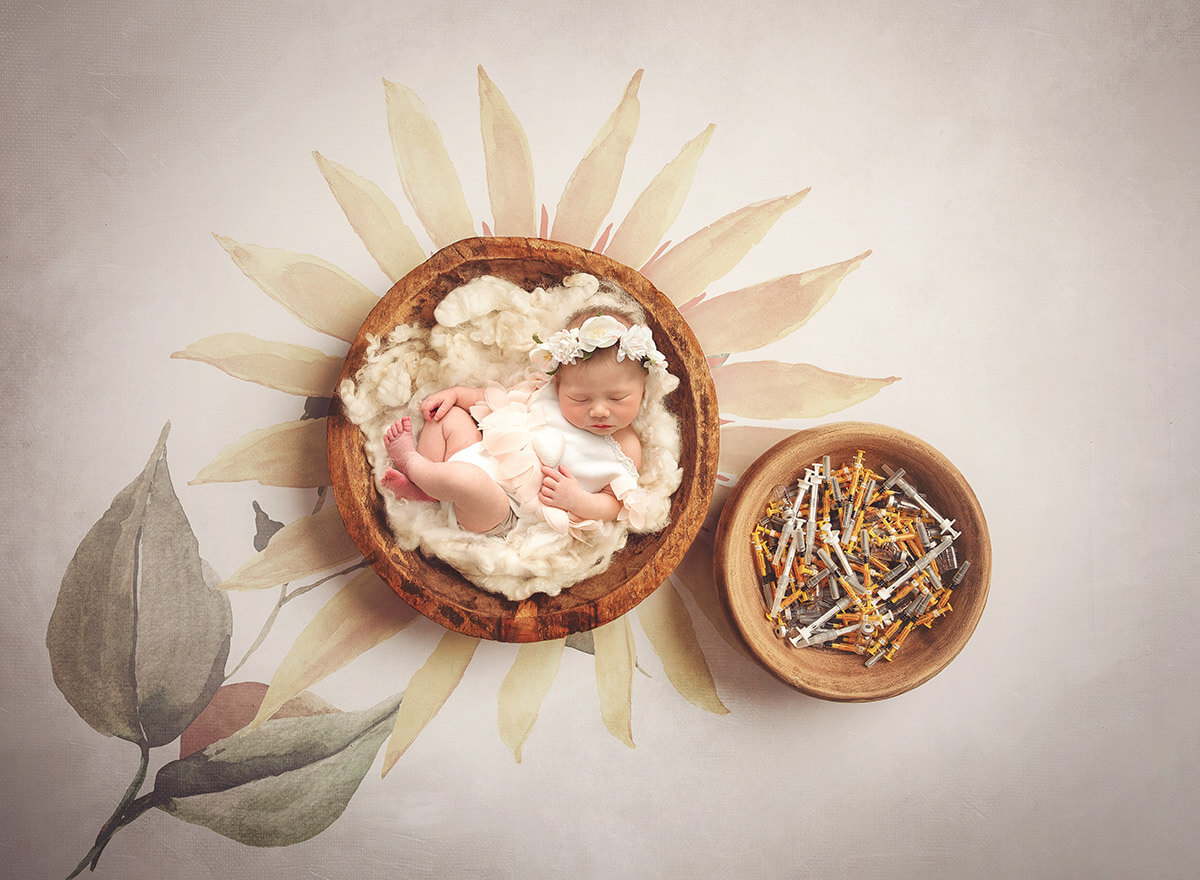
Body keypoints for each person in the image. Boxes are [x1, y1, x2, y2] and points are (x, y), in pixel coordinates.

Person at [381, 309, 667, 538]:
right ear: (559, 382)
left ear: (643, 388)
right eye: (580, 399)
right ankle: (427, 488)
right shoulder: (544, 394)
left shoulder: (627, 447)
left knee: (469, 481)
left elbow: (613, 504)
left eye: (618, 398)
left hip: (505, 510)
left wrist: (576, 500)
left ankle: (412, 463)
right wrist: (456, 395)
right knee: (448, 417)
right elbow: (497, 400)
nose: (600, 411)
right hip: (478, 453)